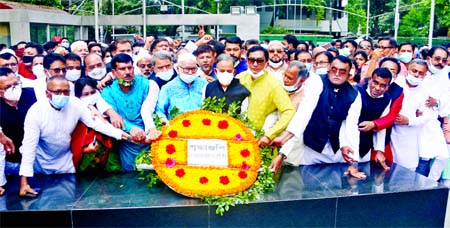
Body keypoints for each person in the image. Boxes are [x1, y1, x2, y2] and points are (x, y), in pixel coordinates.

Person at [18, 76, 131, 197]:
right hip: (42, 163)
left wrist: (127, 136)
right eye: (57, 92)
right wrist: (24, 183)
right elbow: (29, 148)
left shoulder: (75, 104)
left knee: (71, 198)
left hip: (66, 162)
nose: (62, 95)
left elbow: (97, 124)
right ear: (47, 94)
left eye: (66, 91)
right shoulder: (35, 112)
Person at [271, 56, 364, 179]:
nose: (336, 74)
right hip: (311, 150)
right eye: (333, 69)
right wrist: (283, 151)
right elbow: (303, 116)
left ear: (349, 74)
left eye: (342, 72)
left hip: (336, 152)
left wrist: (354, 163)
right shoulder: (316, 82)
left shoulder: (355, 95)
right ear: (328, 68)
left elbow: (351, 127)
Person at [390, 59, 448, 180]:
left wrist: (410, 121)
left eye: (421, 73)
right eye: (414, 71)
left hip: (410, 135)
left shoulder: (425, 91)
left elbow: (427, 116)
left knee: (407, 169)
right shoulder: (396, 84)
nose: (416, 75)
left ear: (425, 74)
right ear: (408, 70)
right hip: (390, 132)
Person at [101, 53, 160, 171]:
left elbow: (150, 109)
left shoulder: (146, 84)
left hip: (152, 137)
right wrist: (131, 129)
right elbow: (115, 119)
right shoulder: (108, 91)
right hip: (128, 140)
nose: (127, 72)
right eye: (122, 69)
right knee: (131, 178)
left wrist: (149, 131)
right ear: (113, 73)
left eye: (130, 68)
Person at [237, 46, 295, 146]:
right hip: (237, 137)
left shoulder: (273, 84)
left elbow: (289, 111)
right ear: (247, 61)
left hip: (261, 141)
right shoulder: (239, 78)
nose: (255, 64)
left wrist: (269, 135)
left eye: (259, 61)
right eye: (252, 60)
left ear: (266, 63)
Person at [0, 67, 37, 195]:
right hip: (8, 164)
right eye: (8, 87)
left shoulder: (31, 94)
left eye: (16, 84)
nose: (14, 89)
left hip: (35, 162)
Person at [356, 68, 392, 169]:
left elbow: (382, 127)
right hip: (348, 145)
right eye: (375, 82)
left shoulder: (387, 99)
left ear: (387, 87)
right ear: (370, 80)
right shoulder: (356, 91)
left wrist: (379, 151)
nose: (377, 88)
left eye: (383, 85)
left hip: (365, 147)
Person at [156, 53, 207, 121]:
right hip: (177, 126)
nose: (190, 72)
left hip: (203, 124)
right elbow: (160, 111)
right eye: (187, 69)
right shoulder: (168, 88)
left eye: (193, 69)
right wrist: (164, 121)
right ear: (178, 68)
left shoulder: (204, 84)